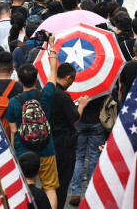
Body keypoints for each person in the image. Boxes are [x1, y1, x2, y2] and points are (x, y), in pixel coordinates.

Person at [6, 34, 59, 209]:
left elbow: (13, 131)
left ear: (19, 80)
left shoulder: (13, 103)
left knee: (28, 186)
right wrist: (51, 46)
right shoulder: (46, 94)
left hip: (24, 150)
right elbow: (53, 72)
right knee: (50, 187)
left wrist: (15, 151)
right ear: (36, 79)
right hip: (47, 147)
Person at [51, 63, 89, 208]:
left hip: (49, 142)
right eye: (72, 80)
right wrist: (81, 106)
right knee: (62, 183)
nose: (72, 83)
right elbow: (75, 119)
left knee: (49, 182)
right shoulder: (63, 96)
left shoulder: (48, 91)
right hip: (64, 145)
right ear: (68, 77)